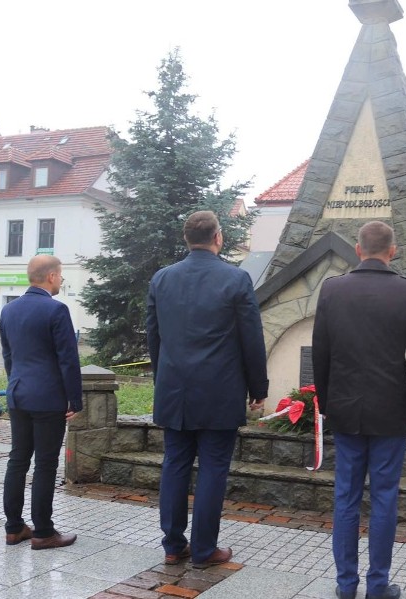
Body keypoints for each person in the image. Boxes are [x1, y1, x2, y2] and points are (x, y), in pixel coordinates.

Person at [312, 221, 406, 599]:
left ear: (358, 250)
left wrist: (329, 404)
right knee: (384, 498)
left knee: (345, 497)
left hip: (345, 410)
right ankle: (377, 585)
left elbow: (321, 354)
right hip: (391, 411)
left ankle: (346, 585)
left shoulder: (332, 290)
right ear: (391, 251)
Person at [146, 210, 268, 569]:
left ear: (188, 240)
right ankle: (203, 550)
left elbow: (154, 336)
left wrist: (163, 377)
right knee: (214, 468)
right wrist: (258, 387)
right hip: (220, 390)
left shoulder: (162, 279)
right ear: (218, 238)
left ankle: (172, 545)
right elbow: (252, 339)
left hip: (174, 389)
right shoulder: (236, 279)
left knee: (174, 464)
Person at [0, 254, 82, 550]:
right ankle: (44, 532)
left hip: (18, 394)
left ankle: (14, 528)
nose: (61, 280)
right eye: (60, 275)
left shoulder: (8, 310)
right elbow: (68, 360)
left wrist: (16, 385)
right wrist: (75, 399)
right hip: (47, 398)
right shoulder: (56, 310)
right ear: (50, 276)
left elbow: (9, 356)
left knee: (18, 459)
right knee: (45, 464)